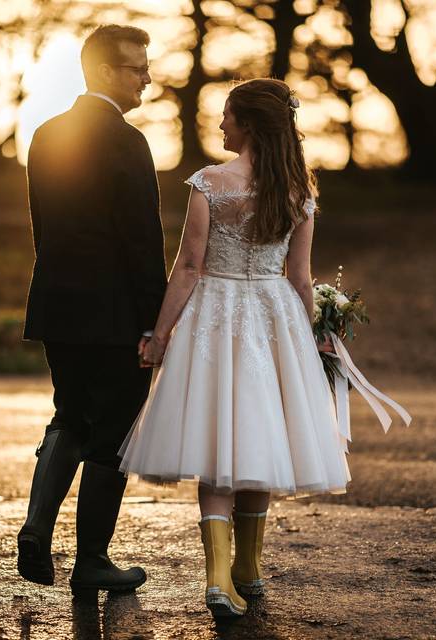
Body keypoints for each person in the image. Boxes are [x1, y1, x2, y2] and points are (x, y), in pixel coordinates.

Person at [119, 78, 350, 618]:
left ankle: (222, 578)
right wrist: (316, 335)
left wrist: (160, 334)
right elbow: (300, 277)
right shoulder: (298, 193)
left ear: (248, 123)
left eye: (227, 116)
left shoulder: (209, 183)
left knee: (217, 448)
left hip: (216, 319)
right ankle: (248, 568)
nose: (221, 124)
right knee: (261, 439)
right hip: (275, 321)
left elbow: (191, 267)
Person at [17, 24, 167, 598]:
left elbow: (43, 230)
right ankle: (92, 560)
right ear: (103, 71)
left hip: (58, 307)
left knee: (69, 415)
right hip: (114, 317)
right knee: (113, 436)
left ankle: (37, 525)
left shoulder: (46, 134)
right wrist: (156, 322)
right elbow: (141, 243)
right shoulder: (127, 143)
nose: (147, 78)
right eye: (137, 68)